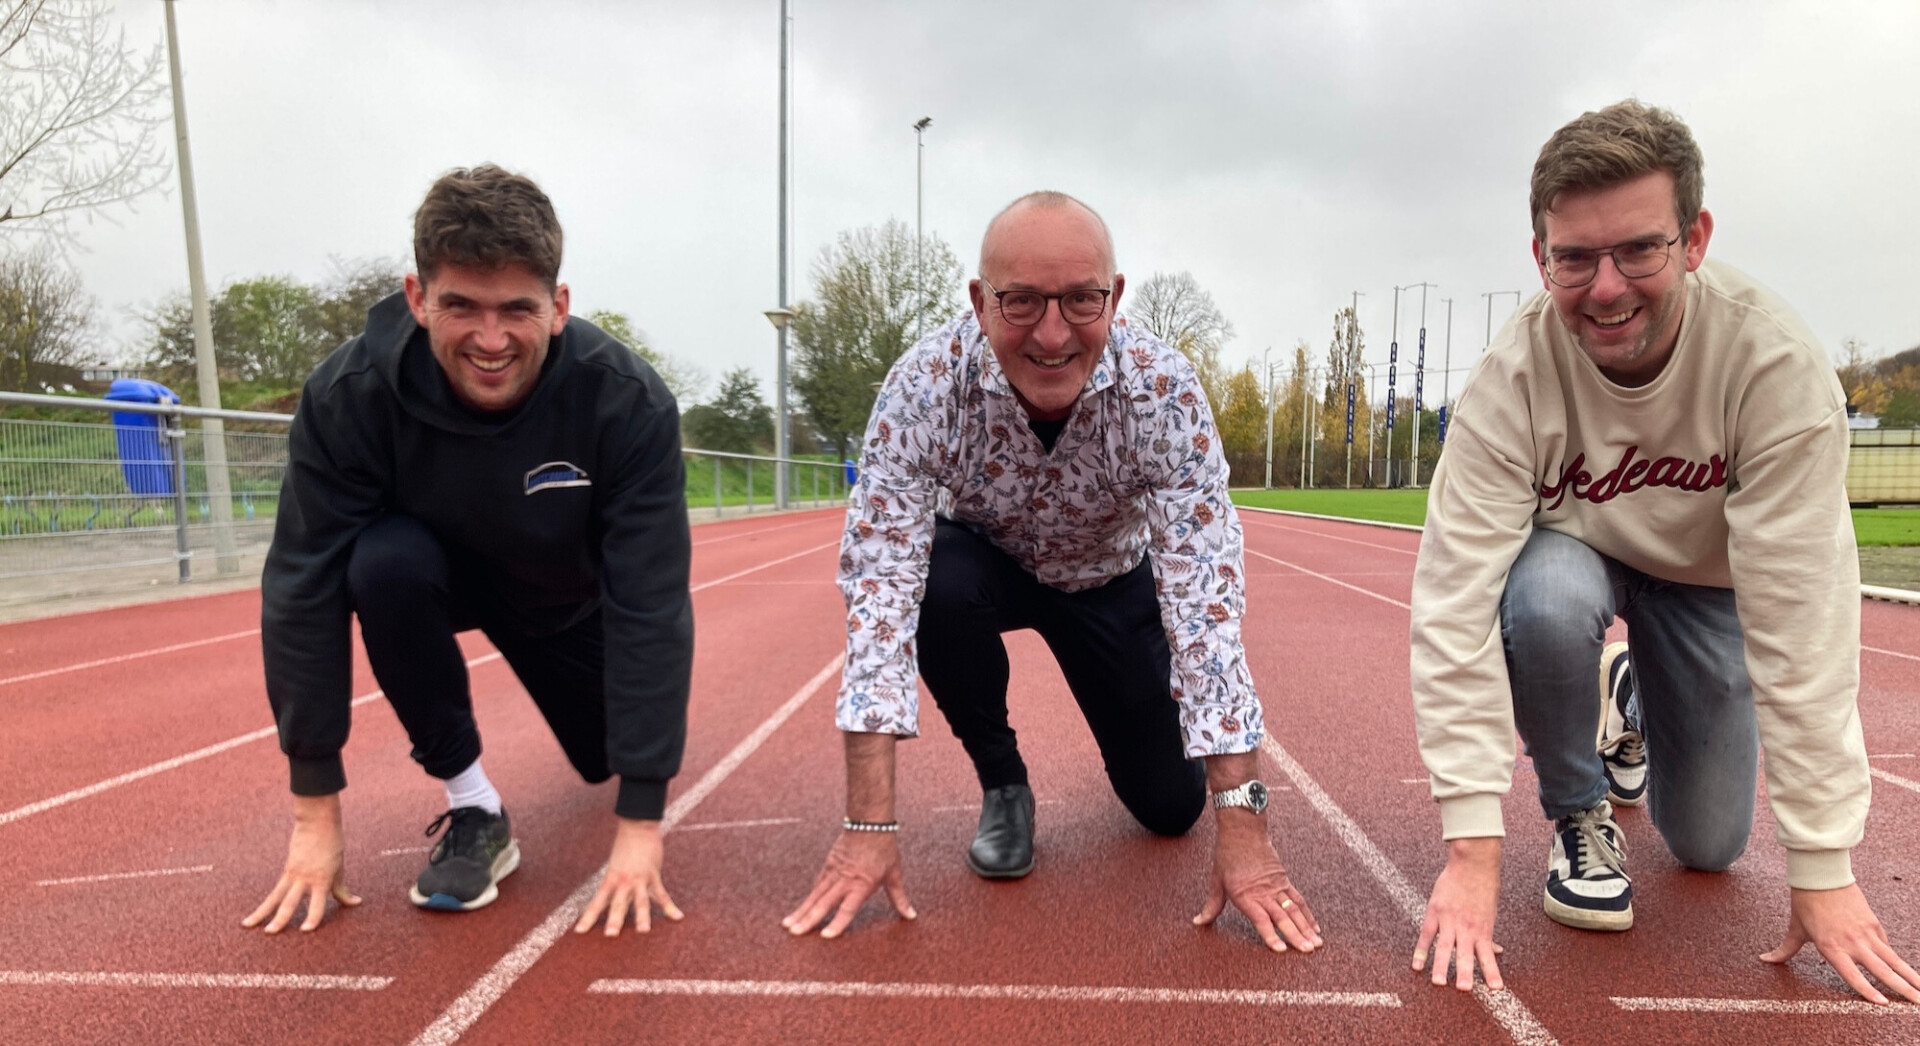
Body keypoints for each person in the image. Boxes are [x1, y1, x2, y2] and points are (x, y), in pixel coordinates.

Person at [1408, 101, 1920, 1005]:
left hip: (1706, 585)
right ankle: (1578, 813)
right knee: (1543, 601)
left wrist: (1823, 863)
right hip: (1579, 563)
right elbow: (1454, 600)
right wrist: (1471, 847)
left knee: (1710, 845)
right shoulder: (1512, 380)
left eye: (1639, 249)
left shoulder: (1774, 369)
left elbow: (1803, 616)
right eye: (1575, 258)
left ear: (1694, 239)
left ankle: (1631, 692)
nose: (1606, 287)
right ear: (1541, 258)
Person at [783, 191, 1322, 953]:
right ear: (979, 301)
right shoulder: (926, 387)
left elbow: (1206, 612)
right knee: (931, 582)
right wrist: (868, 824)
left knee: (1171, 808)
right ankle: (1004, 783)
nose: (1052, 333)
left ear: (1115, 296)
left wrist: (1247, 827)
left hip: (1110, 579)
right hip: (984, 565)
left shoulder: (1163, 394)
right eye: (1022, 302)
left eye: (1080, 300)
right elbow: (879, 600)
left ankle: (1153, 768)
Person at [243, 165, 693, 938]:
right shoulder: (348, 397)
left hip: (562, 604)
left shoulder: (623, 399)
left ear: (558, 307)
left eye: (517, 309)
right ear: (417, 298)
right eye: (461, 307)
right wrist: (313, 812)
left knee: (607, 758)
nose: (491, 341)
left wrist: (640, 823)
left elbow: (649, 601)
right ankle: (473, 805)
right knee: (380, 562)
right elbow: (300, 589)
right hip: (433, 581)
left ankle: (611, 753)